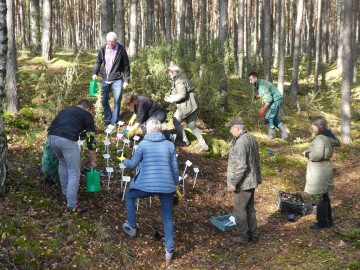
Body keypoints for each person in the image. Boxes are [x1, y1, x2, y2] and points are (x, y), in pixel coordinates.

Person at [119, 119, 179, 262]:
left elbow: (132, 164)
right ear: (160, 130)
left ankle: (132, 226)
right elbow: (175, 168)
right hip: (166, 186)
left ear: (148, 130)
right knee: (167, 217)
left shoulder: (143, 144)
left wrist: (123, 160)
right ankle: (169, 249)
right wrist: (175, 184)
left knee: (129, 196)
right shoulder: (170, 145)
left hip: (146, 185)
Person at [47, 99, 97, 214]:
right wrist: (93, 159)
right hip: (67, 140)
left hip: (51, 138)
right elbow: (91, 138)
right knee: (74, 171)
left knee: (62, 162)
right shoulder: (87, 115)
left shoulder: (66, 110)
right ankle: (72, 206)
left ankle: (66, 193)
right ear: (88, 108)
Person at [226, 116, 261, 245]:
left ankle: (243, 237)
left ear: (237, 127)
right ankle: (254, 235)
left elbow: (241, 166)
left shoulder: (241, 142)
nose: (230, 130)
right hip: (252, 180)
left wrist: (233, 182)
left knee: (239, 209)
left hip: (243, 182)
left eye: (231, 128)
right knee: (249, 208)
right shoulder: (251, 138)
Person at [303, 116, 340, 230]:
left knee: (319, 197)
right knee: (324, 196)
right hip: (324, 169)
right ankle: (327, 221)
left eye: (313, 125)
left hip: (318, 172)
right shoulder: (328, 136)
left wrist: (307, 154)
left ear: (318, 126)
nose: (312, 127)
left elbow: (317, 155)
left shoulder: (320, 139)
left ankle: (322, 223)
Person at [164, 62, 209, 152]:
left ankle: (185, 141)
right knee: (192, 125)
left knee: (176, 121)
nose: (169, 75)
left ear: (174, 72)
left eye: (170, 73)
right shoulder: (181, 76)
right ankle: (204, 145)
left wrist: (171, 99)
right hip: (192, 104)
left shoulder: (179, 80)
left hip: (187, 104)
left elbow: (182, 94)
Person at [92, 32, 130, 124]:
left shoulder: (121, 50)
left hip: (117, 79)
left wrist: (126, 80)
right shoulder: (103, 49)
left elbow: (126, 66)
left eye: (112, 41)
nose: (110, 43)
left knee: (117, 100)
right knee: (104, 100)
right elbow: (98, 62)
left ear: (116, 41)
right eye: (109, 41)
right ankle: (108, 117)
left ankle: (114, 121)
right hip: (105, 78)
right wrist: (95, 73)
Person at [248, 71, 289, 140]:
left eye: (251, 79)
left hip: (276, 101)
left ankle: (271, 136)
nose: (250, 81)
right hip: (277, 100)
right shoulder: (260, 83)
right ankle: (285, 135)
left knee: (268, 118)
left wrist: (263, 109)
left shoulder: (261, 86)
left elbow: (269, 99)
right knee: (274, 119)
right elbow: (266, 93)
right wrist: (258, 96)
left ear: (255, 78)